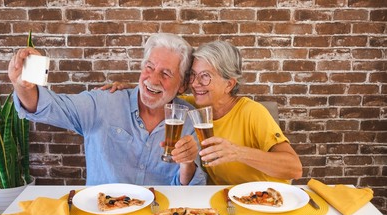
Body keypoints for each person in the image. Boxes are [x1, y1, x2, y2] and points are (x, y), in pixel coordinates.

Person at [8, 33, 207, 186]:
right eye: (149, 67)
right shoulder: (104, 102)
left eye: (165, 73)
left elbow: (188, 187)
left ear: (181, 85)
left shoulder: (188, 119)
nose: (153, 79)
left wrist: (188, 163)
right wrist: (23, 87)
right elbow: (50, 108)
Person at [101, 40, 303, 185]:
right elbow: (163, 91)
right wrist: (130, 87)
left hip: (266, 201)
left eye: (205, 77)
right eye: (194, 76)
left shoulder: (252, 112)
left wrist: (237, 152)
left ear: (229, 84)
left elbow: (294, 168)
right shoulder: (192, 107)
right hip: (222, 203)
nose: (196, 84)